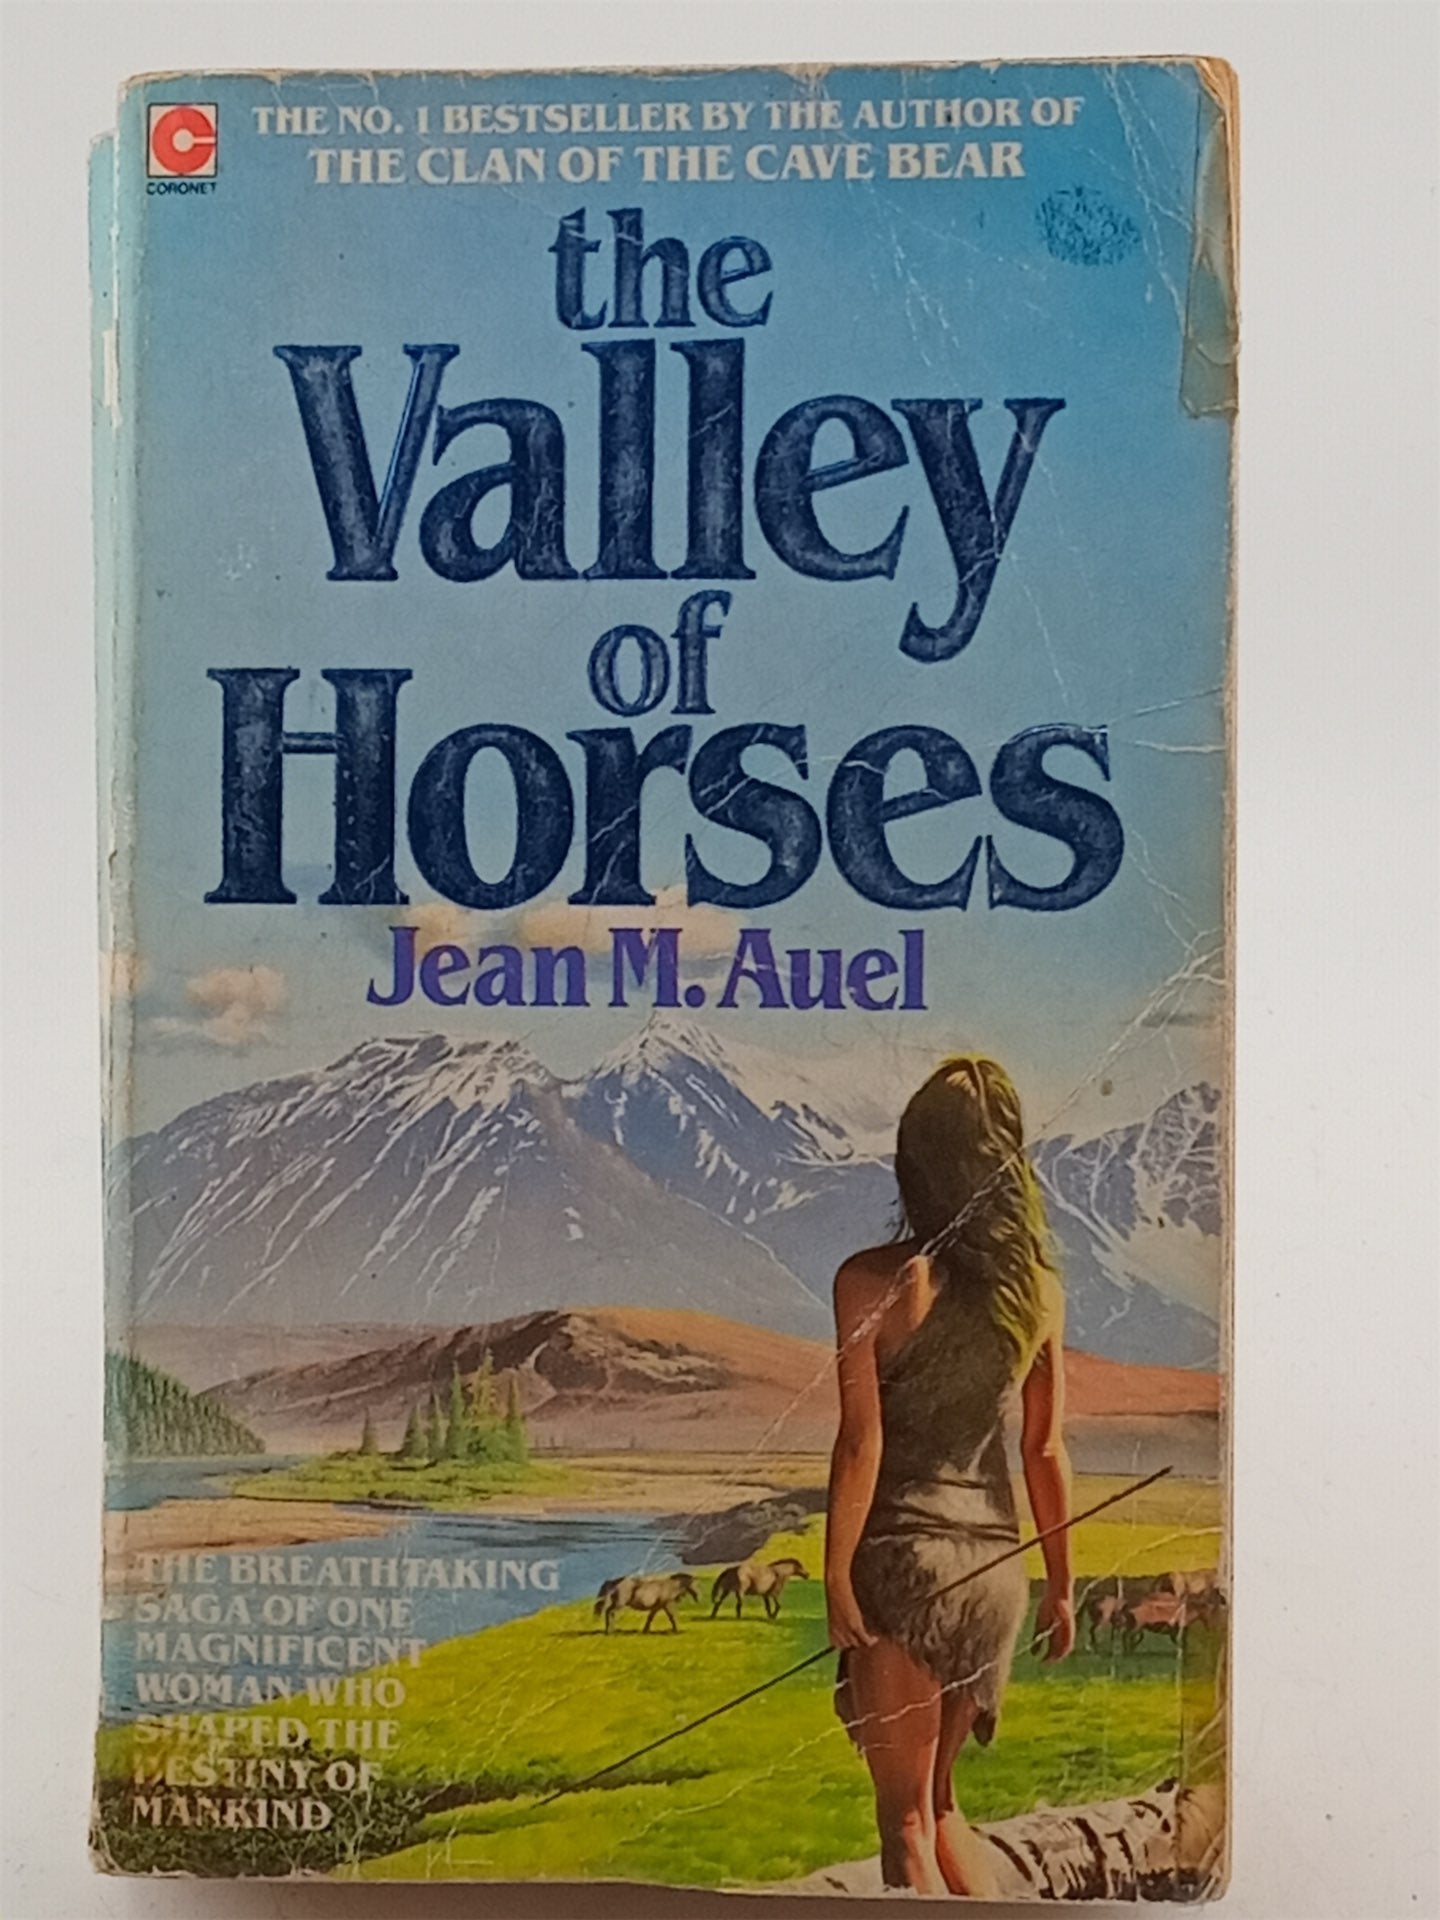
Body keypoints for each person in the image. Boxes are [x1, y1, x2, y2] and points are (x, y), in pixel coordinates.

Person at [825, 1055, 1074, 1895]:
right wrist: (1062, 1588)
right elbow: (1044, 1450)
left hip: (904, 1564)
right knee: (942, 1807)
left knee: (903, 1823)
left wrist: (836, 1575)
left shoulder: (870, 1280)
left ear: (914, 1158)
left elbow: (860, 1443)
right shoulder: (1037, 1291)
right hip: (994, 1576)